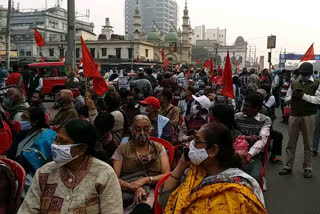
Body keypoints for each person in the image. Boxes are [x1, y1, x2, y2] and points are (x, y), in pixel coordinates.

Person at [18, 119, 123, 214]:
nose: (55, 145)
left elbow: (112, 210)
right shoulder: (44, 172)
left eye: (62, 142)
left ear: (82, 148)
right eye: (56, 140)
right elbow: (28, 209)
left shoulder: (104, 174)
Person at [159, 122, 267, 214]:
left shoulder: (234, 195)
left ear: (213, 150)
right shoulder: (196, 171)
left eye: (196, 141)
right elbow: (164, 200)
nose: (189, 145)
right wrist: (181, 165)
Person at [112, 115, 170, 213]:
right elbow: (113, 179)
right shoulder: (122, 149)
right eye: (137, 129)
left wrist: (146, 180)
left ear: (150, 129)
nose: (142, 133)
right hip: (126, 189)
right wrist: (134, 188)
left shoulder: (159, 148)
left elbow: (167, 175)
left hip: (152, 189)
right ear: (132, 130)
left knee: (143, 209)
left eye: (146, 129)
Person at [279, 62, 320, 178]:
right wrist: (292, 97)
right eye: (302, 74)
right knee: (291, 142)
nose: (303, 76)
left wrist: (303, 96)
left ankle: (307, 168)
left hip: (309, 116)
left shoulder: (317, 83)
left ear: (311, 73)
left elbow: (318, 100)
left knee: (308, 143)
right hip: (294, 115)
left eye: (306, 74)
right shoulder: (294, 83)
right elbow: (286, 99)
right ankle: (288, 165)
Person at [6, 107, 55, 193]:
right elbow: (12, 152)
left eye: (25, 118)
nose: (21, 120)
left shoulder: (46, 137)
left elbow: (33, 164)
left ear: (35, 122)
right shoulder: (23, 133)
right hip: (16, 167)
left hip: (31, 174)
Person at [235, 93, 272, 182]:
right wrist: (244, 137)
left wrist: (250, 154)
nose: (244, 108)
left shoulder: (265, 120)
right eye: (244, 105)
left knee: (254, 177)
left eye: (247, 106)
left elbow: (262, 140)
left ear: (256, 108)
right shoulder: (237, 117)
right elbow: (232, 134)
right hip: (236, 153)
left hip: (254, 155)